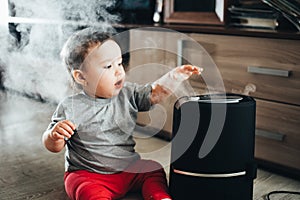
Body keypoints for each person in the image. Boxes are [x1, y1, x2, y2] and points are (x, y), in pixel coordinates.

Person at [42, 27, 202, 200]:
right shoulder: (71, 106)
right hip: (90, 175)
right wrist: (54, 136)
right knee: (83, 188)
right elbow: (53, 146)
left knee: (153, 169)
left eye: (119, 63)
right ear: (81, 77)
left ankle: (159, 197)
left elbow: (155, 94)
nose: (119, 71)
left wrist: (174, 77)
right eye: (108, 66)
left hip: (129, 169)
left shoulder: (128, 92)